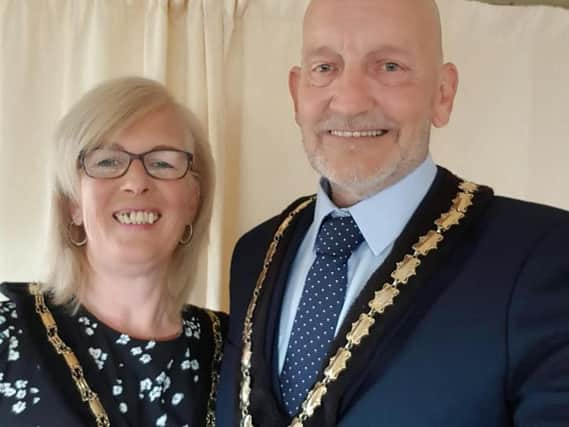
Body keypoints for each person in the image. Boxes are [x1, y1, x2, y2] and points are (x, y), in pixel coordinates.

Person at [216, 0, 569, 426]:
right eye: (325, 67)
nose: (348, 102)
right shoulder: (255, 252)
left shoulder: (541, 256)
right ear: (296, 92)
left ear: (443, 93)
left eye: (389, 67)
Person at [0, 76, 226, 426]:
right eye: (107, 162)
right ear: (73, 202)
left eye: (163, 163)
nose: (137, 182)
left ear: (193, 200)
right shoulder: (8, 329)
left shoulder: (234, 351)